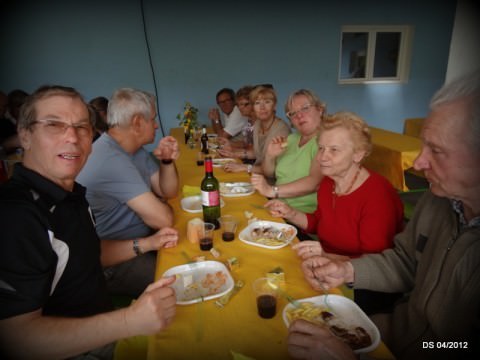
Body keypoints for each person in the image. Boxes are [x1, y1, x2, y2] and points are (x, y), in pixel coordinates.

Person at [290, 70, 480, 360]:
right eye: (423, 144)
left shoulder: (380, 193)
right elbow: (404, 261)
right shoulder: (437, 201)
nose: (418, 162)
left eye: (437, 151)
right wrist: (346, 271)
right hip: (393, 330)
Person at [0, 85, 176, 359]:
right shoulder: (15, 215)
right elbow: (15, 340)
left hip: (101, 316)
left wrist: (147, 242)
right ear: (25, 135)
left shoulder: (69, 193)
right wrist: (130, 321)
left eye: (81, 126)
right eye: (54, 125)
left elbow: (87, 253)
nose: (72, 136)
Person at [265, 111, 404, 313]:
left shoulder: (378, 195)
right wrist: (290, 212)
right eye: (321, 148)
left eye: (334, 150)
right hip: (326, 265)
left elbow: (376, 263)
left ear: (358, 154)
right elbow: (318, 223)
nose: (322, 157)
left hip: (365, 287)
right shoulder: (329, 182)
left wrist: (326, 254)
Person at [77, 87, 180, 297]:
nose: (157, 124)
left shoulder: (134, 149)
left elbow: (167, 191)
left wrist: (167, 162)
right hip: (114, 260)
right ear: (137, 123)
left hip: (143, 239)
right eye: (153, 119)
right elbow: (163, 219)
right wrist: (161, 205)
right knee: (181, 286)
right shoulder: (110, 158)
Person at [251, 89, 326, 215]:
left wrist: (271, 190)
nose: (299, 115)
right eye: (292, 113)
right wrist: (270, 155)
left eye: (305, 108)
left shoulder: (326, 141)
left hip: (303, 215)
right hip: (276, 207)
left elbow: (314, 183)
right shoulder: (291, 139)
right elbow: (270, 173)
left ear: (320, 109)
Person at [223, 85, 291, 174]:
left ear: (274, 106)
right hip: (259, 173)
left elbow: (272, 170)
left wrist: (245, 167)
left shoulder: (281, 130)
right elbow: (258, 153)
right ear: (253, 107)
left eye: (267, 102)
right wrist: (234, 154)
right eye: (257, 103)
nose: (262, 107)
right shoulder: (258, 123)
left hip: (274, 180)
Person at [216, 85, 256, 160]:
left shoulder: (260, 122)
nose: (239, 108)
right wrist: (229, 144)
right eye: (238, 105)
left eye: (243, 104)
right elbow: (246, 143)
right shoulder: (250, 120)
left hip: (253, 163)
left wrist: (233, 152)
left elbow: (257, 153)